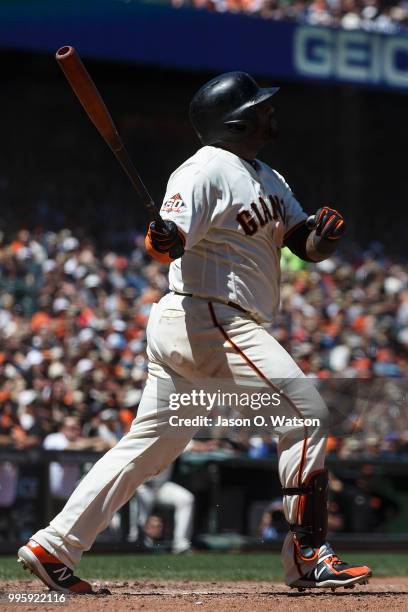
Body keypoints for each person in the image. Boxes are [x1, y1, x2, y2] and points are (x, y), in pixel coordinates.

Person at [18, 71, 371, 593]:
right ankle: (308, 550)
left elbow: (303, 245)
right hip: (206, 316)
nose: (270, 111)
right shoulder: (204, 169)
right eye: (260, 106)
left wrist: (323, 236)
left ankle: (55, 545)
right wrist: (163, 239)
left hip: (198, 325)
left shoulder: (270, 178)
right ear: (238, 119)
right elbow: (167, 243)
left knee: (156, 442)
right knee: (306, 409)